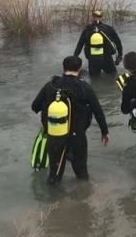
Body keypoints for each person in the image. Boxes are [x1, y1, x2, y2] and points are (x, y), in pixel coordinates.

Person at [31, 56, 110, 185]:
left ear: (63, 68)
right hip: (77, 137)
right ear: (79, 68)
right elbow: (98, 111)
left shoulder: (50, 86)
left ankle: (52, 203)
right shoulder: (84, 87)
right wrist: (104, 132)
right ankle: (84, 200)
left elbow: (35, 106)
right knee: (81, 174)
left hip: (54, 136)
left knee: (54, 176)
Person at [73, 10, 123, 77]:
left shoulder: (87, 30)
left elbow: (80, 45)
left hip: (93, 60)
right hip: (107, 59)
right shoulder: (109, 29)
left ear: (92, 17)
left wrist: (75, 58)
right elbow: (118, 43)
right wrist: (119, 56)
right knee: (113, 77)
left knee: (94, 80)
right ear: (101, 17)